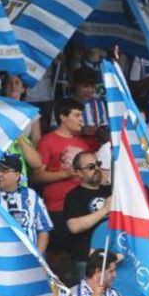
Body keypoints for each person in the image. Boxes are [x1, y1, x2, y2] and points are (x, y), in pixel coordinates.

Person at [35, 99, 94, 274]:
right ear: (62, 117)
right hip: (56, 209)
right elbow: (36, 176)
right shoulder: (48, 141)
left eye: (81, 115)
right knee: (56, 259)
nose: (81, 120)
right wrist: (65, 174)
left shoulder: (84, 144)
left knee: (78, 259)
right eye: (76, 115)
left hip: (80, 210)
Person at [0, 154, 52, 255]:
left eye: (4, 171)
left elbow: (43, 230)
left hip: (27, 261)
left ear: (17, 175)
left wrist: (38, 258)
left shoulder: (32, 196)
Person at [62, 151, 111, 283]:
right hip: (86, 259)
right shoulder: (73, 196)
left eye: (98, 164)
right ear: (78, 173)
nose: (96, 169)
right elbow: (74, 226)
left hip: (112, 257)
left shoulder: (110, 191)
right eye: (90, 167)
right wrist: (104, 210)